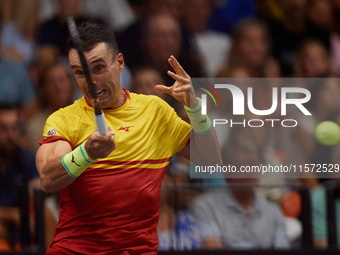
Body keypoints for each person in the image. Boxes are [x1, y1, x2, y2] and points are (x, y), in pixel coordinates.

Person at [35, 21, 221, 254]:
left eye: (99, 68)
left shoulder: (155, 111)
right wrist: (86, 153)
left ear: (120, 63)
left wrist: (194, 107)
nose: (91, 81)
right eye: (80, 73)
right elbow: (48, 179)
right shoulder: (63, 120)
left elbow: (211, 159)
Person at [190, 139, 290, 249]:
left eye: (252, 163)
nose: (247, 170)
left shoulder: (272, 211)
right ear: (226, 170)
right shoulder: (206, 207)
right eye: (239, 164)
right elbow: (214, 251)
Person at [0, 104, 40, 251]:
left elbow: (37, 191)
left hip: (22, 230)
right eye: (4, 129)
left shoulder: (26, 159)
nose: (10, 135)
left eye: (14, 128)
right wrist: (11, 214)